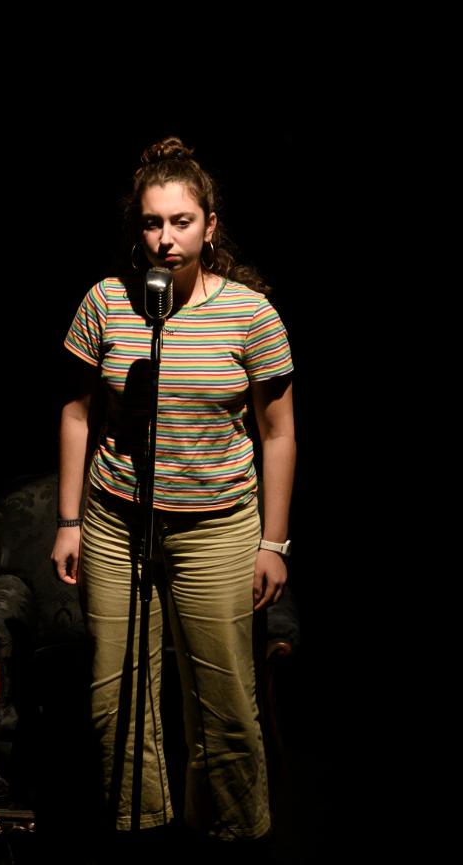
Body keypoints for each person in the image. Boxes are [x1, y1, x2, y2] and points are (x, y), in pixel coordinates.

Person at [47, 138, 296, 845]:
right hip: (116, 522)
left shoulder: (251, 314)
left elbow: (278, 433)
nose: (166, 238)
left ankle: (228, 834)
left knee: (224, 703)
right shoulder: (106, 302)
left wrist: (274, 542)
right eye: (153, 222)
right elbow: (76, 412)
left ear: (209, 226)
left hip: (215, 528)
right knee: (115, 696)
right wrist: (69, 519)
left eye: (182, 221)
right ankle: (140, 829)